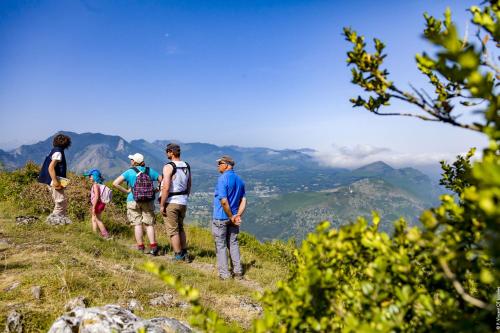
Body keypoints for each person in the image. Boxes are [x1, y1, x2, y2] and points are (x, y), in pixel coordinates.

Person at [112, 153, 162, 255]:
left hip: (133, 199)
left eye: (132, 160)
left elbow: (115, 183)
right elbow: (163, 180)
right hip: (148, 200)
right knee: (149, 224)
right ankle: (153, 247)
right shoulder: (149, 171)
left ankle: (141, 248)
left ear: (134, 162)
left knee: (137, 224)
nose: (130, 161)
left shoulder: (129, 172)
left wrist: (126, 191)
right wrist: (156, 190)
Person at [212, 155, 247, 280]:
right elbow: (244, 200)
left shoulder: (222, 179)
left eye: (220, 163)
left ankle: (225, 275)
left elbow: (224, 201)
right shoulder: (240, 180)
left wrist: (231, 216)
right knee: (233, 243)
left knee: (220, 245)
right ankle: (238, 272)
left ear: (227, 164)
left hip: (221, 217)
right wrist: (238, 215)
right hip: (233, 218)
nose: (218, 166)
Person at [159, 143, 192, 261]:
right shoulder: (186, 165)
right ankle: (185, 252)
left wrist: (162, 204)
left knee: (173, 230)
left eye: (167, 151)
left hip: (171, 201)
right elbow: (189, 184)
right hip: (183, 201)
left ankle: (178, 255)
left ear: (171, 152)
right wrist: (185, 197)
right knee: (181, 228)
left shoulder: (168, 166)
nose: (166, 153)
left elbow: (166, 187)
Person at [37, 133, 72, 225]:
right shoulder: (58, 152)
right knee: (61, 202)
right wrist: (56, 182)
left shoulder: (54, 150)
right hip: (54, 181)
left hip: (51, 180)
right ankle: (53, 223)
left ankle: (60, 222)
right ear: (66, 144)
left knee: (61, 202)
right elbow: (51, 168)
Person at [84, 169, 110, 239]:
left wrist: (93, 207)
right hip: (101, 203)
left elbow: (97, 196)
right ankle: (94, 234)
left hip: (97, 204)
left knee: (98, 219)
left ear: (94, 176)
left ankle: (106, 235)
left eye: (90, 176)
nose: (89, 178)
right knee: (94, 219)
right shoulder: (101, 185)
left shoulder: (95, 185)